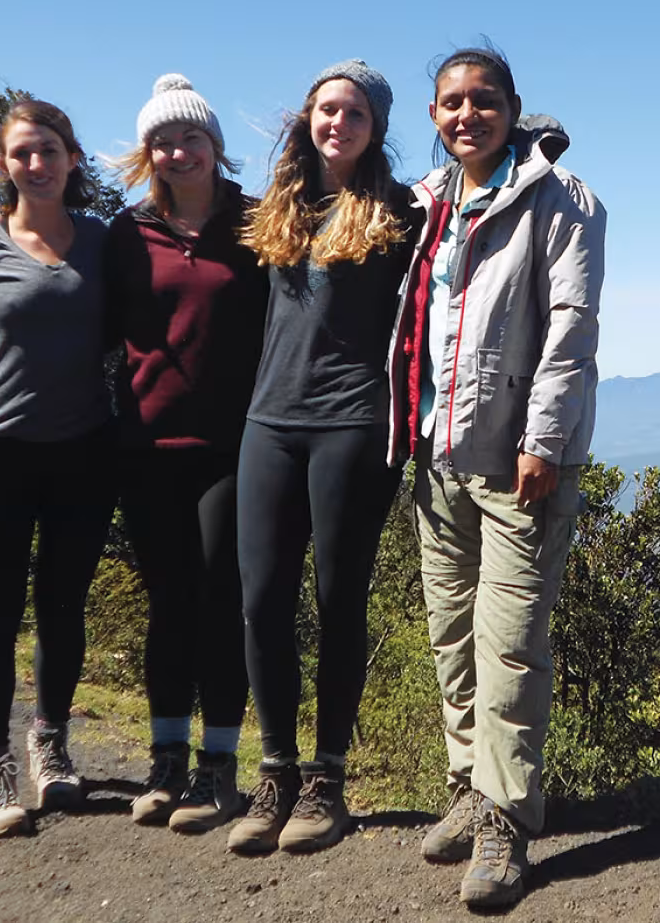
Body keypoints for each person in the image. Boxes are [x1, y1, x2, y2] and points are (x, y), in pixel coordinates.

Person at [387, 46, 605, 907]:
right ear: (434, 118)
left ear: (514, 109)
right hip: (435, 453)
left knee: (509, 642)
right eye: (450, 103)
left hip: (520, 461)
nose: (465, 114)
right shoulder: (428, 205)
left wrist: (544, 441)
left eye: (483, 100)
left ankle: (506, 821)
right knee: (451, 636)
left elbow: (571, 325)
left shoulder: (563, 200)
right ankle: (469, 786)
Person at [227, 60, 420, 856]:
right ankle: (274, 772)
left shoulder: (398, 211)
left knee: (340, 601)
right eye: (326, 109)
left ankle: (326, 782)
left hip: (351, 425)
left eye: (353, 113)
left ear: (375, 128)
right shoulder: (279, 211)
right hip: (268, 422)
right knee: (263, 600)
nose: (336, 122)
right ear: (307, 118)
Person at [0, 99, 116, 838]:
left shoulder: (104, 240)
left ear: (73, 158)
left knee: (64, 605)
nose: (35, 165)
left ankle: (50, 742)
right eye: (21, 154)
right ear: (4, 165)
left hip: (86, 450)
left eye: (48, 151)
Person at [106, 75, 267, 833]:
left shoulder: (259, 225)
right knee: (168, 603)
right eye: (163, 142)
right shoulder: (128, 234)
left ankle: (219, 770)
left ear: (214, 144)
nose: (178, 152)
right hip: (146, 444)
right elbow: (92, 328)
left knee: (218, 601)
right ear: (149, 154)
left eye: (190, 138)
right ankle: (167, 760)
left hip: (235, 446)